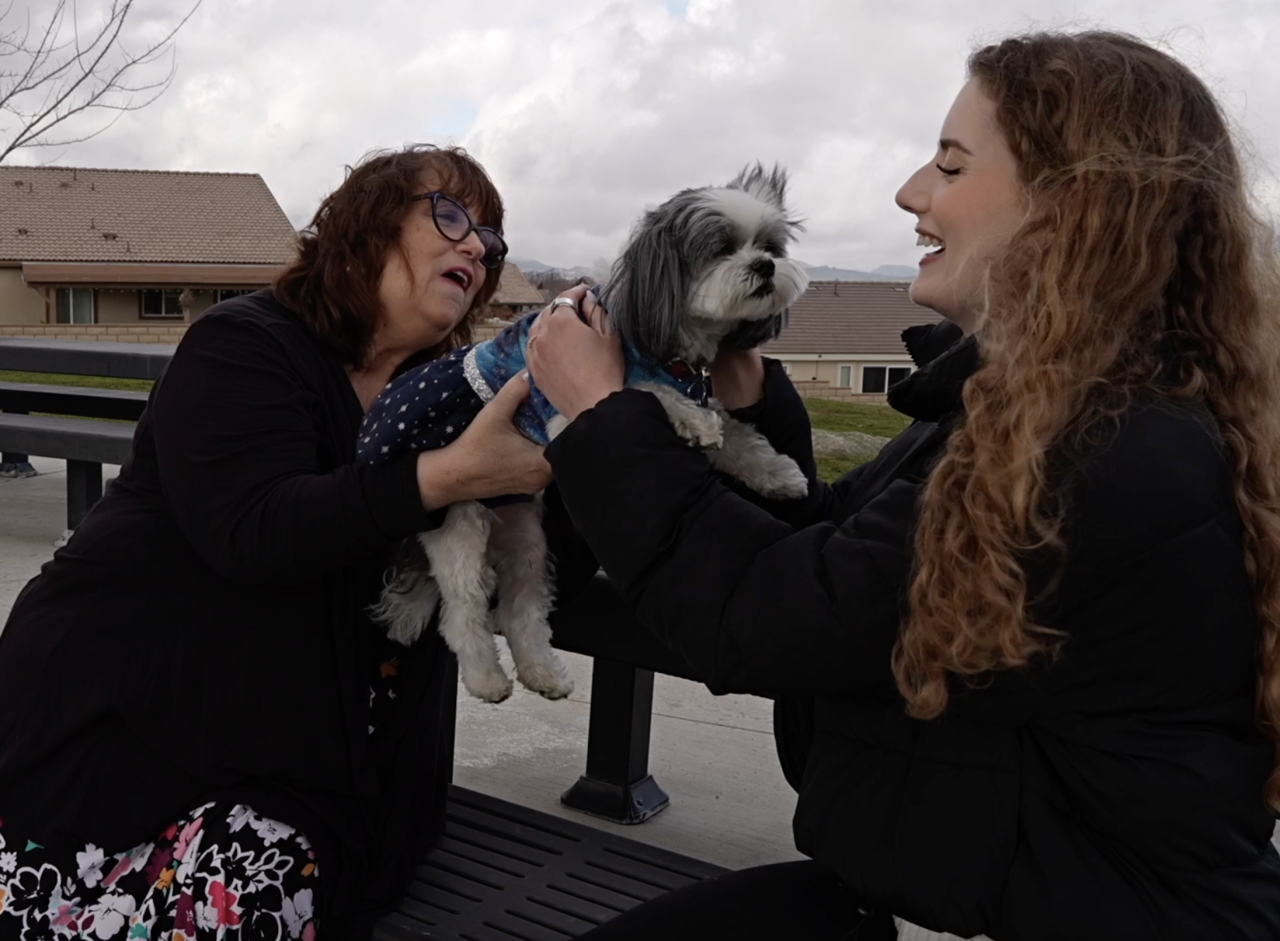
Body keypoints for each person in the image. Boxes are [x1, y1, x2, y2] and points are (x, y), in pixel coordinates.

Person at [525, 31, 1280, 940]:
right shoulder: (1054, 405)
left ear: (1071, 207)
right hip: (981, 891)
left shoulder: (1105, 449)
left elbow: (776, 618)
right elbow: (850, 554)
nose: (911, 193)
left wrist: (601, 415)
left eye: (951, 168)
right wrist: (763, 406)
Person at [0, 145, 564, 940]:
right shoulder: (246, 344)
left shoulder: (458, 399)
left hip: (310, 770)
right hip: (119, 727)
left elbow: (571, 538)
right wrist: (443, 477)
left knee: (274, 882)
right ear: (366, 226)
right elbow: (254, 529)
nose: (477, 246)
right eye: (450, 215)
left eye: (492, 239)